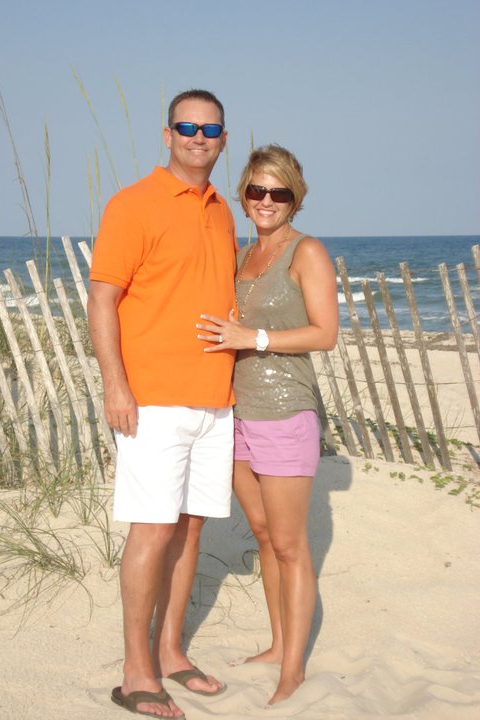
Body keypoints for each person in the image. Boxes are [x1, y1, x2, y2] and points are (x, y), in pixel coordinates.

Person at [88, 89, 237, 719]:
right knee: (152, 528)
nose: (199, 137)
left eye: (211, 129)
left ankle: (171, 651)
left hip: (216, 399)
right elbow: (102, 298)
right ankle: (136, 672)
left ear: (223, 139)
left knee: (191, 526)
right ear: (167, 133)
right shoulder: (132, 204)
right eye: (187, 126)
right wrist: (115, 385)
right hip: (152, 400)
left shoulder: (223, 210)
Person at [196, 144, 338, 706]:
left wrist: (250, 337)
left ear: (294, 198)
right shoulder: (239, 256)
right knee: (261, 535)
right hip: (236, 413)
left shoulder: (307, 252)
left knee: (289, 544)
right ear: (244, 194)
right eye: (257, 190)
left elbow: (325, 333)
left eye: (279, 192)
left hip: (285, 413)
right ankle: (279, 645)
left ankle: (293, 669)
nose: (267, 201)